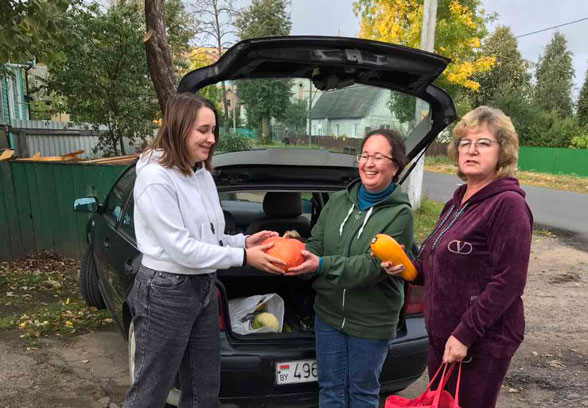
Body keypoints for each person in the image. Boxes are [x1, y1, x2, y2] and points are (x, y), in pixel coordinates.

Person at [123, 93, 285, 408]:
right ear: (179, 128)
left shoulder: (202, 174)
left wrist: (242, 242)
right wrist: (243, 257)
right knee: (151, 390)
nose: (211, 139)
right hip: (166, 291)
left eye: (214, 131)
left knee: (204, 387)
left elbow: (210, 236)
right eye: (203, 130)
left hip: (203, 285)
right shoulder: (155, 179)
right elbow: (182, 248)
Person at [382, 106, 533, 408]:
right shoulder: (456, 202)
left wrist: (465, 335)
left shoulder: (508, 205)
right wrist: (405, 268)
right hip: (443, 337)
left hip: (480, 342)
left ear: (503, 150)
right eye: (465, 142)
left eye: (483, 143)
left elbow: (509, 282)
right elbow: (432, 265)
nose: (472, 150)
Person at [287, 129, 414, 408]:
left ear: (395, 166)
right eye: (365, 155)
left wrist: (321, 265)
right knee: (330, 390)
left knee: (363, 394)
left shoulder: (400, 215)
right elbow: (318, 243)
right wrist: (298, 252)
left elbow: (370, 267)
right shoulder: (338, 201)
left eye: (378, 157)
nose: (368, 163)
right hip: (329, 315)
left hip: (371, 321)